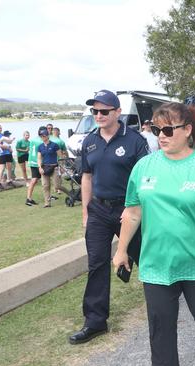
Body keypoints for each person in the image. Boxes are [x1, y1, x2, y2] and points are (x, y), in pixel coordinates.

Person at [113, 102, 195, 365]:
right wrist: (121, 250)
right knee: (160, 330)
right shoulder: (144, 166)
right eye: (157, 130)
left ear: (188, 130)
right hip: (156, 263)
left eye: (168, 130)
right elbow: (133, 213)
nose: (161, 136)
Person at [69, 90, 149, 345]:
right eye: (95, 111)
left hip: (130, 210)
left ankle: (163, 301)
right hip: (99, 212)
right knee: (97, 264)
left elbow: (146, 179)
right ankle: (95, 322)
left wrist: (135, 206)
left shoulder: (134, 140)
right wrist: (85, 212)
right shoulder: (89, 141)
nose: (99, 116)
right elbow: (87, 177)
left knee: (146, 256)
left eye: (104, 111)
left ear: (117, 112)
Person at [37, 127, 66, 208]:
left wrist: (62, 167)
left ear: (47, 136)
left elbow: (60, 157)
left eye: (44, 135)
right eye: (41, 136)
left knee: (57, 186)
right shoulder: (40, 147)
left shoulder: (54, 145)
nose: (43, 137)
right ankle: (47, 203)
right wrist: (40, 167)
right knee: (45, 186)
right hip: (44, 168)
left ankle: (69, 193)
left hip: (54, 167)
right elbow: (39, 158)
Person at [25, 128, 43, 206]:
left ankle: (29, 198)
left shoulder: (33, 140)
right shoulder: (41, 141)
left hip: (32, 161)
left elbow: (30, 150)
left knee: (36, 180)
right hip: (37, 162)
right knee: (36, 179)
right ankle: (28, 198)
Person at [0, 124, 14, 188]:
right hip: (1, 153)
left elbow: (8, 143)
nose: (0, 129)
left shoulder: (3, 135)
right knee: (2, 168)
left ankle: (9, 181)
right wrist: (8, 148)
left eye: (0, 128)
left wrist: (10, 147)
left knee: (9, 167)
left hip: (8, 153)